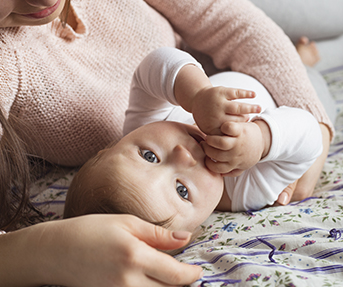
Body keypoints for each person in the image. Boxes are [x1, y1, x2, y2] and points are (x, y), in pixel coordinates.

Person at [0, 0, 334, 287]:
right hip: (228, 86)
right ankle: (314, 60)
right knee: (330, 54)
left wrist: (312, 120)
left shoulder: (150, 119)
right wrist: (49, 251)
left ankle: (311, 58)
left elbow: (222, 17)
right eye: (182, 190)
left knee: (340, 15)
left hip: (204, 61)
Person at [64, 47, 323, 234]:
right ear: (191, 231)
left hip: (243, 63)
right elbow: (309, 133)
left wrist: (197, 94)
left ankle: (298, 55)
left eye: (149, 156)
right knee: (326, 61)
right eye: (182, 191)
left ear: (107, 149)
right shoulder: (245, 191)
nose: (182, 156)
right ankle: (306, 62)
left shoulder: (144, 125)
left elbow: (153, 65)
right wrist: (261, 140)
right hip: (298, 98)